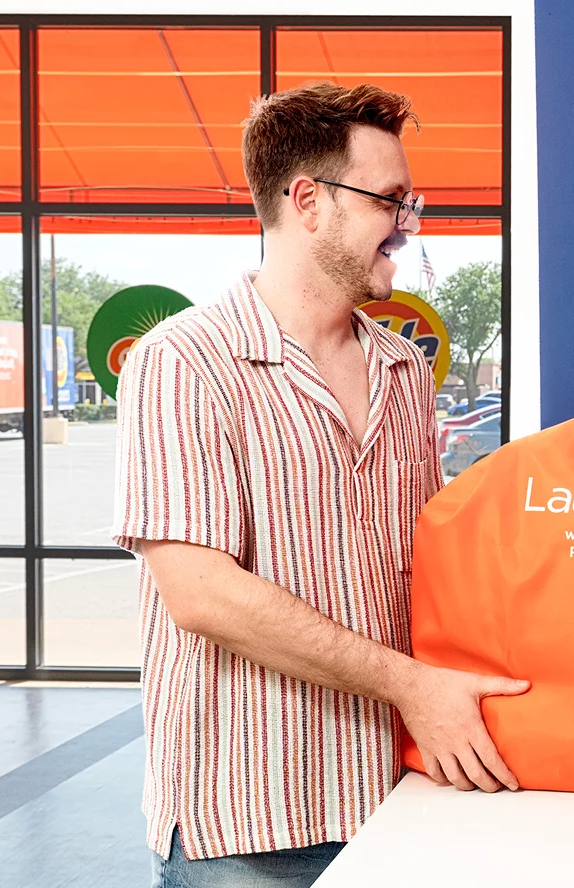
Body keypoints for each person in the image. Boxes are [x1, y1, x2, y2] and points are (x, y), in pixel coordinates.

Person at [112, 82, 527, 888]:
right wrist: (413, 685)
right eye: (389, 202)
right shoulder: (182, 363)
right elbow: (202, 594)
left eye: (412, 203)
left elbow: (427, 566)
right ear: (307, 201)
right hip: (251, 819)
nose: (407, 227)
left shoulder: (405, 369)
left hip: (403, 793)